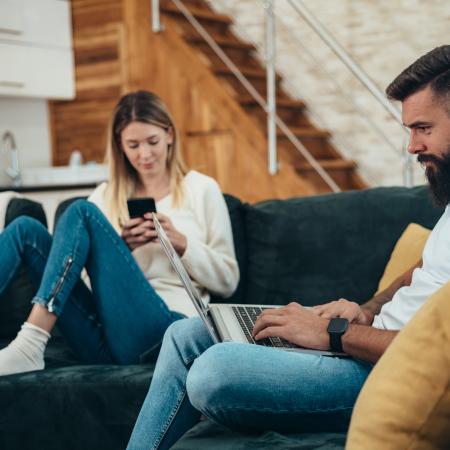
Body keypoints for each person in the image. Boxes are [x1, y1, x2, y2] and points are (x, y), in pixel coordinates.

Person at [126, 45, 450, 450]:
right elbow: (423, 269)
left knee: (213, 371)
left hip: (392, 374)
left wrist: (334, 334)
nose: (412, 146)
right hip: (365, 345)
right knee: (186, 333)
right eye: (410, 131)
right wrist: (365, 311)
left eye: (423, 128)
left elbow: (440, 355)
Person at [0, 91, 239, 376]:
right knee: (25, 230)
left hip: (163, 331)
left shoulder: (201, 189)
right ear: (120, 146)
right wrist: (121, 249)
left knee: (79, 212)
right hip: (100, 337)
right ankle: (31, 342)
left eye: (152, 142)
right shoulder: (105, 195)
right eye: (133, 145)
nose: (145, 154)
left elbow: (228, 281)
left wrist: (181, 244)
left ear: (170, 135)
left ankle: (30, 343)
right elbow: (69, 279)